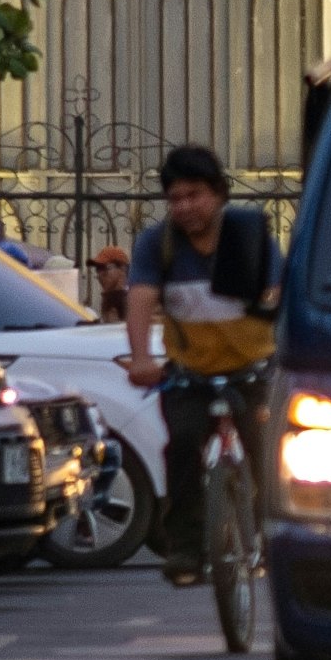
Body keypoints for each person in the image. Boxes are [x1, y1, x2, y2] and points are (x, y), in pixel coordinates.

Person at [119, 143, 275, 585]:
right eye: (176, 198)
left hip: (253, 369)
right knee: (183, 445)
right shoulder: (158, 243)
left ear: (220, 194)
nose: (186, 207)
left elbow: (281, 291)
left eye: (196, 195)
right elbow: (141, 299)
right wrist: (142, 359)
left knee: (270, 451)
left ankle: (273, 537)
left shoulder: (249, 234)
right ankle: (186, 549)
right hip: (190, 372)